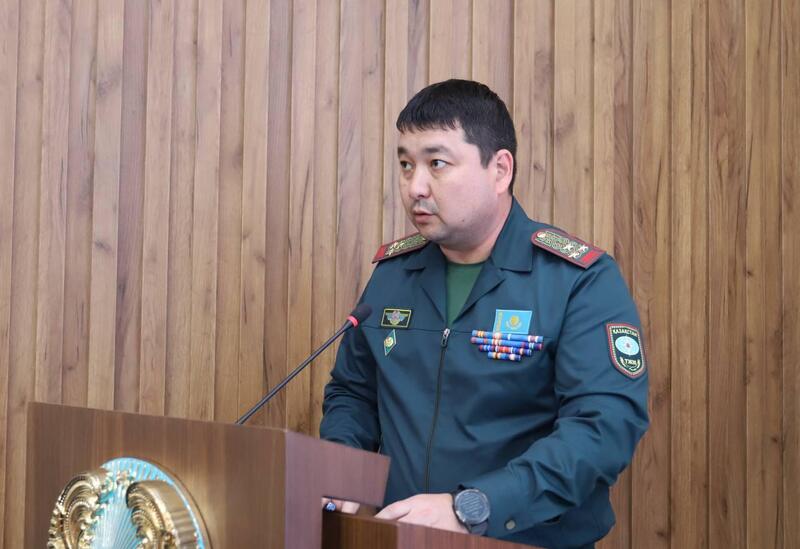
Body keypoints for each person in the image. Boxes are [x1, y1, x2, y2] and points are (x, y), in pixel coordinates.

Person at [319, 79, 649, 549]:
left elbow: (604, 427)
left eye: (436, 164)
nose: (415, 187)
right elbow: (354, 393)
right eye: (406, 165)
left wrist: (473, 507)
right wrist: (341, 467)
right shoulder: (393, 274)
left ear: (500, 170)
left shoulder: (576, 280)